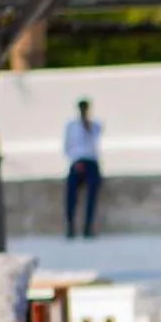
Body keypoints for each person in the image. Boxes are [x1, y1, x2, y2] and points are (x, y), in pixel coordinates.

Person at [63, 97, 104, 238]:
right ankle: (70, 227)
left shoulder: (95, 124)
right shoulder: (71, 126)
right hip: (77, 162)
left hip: (91, 162)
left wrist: (86, 123)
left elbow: (95, 138)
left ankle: (88, 228)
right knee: (71, 197)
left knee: (92, 196)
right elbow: (67, 146)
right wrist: (75, 160)